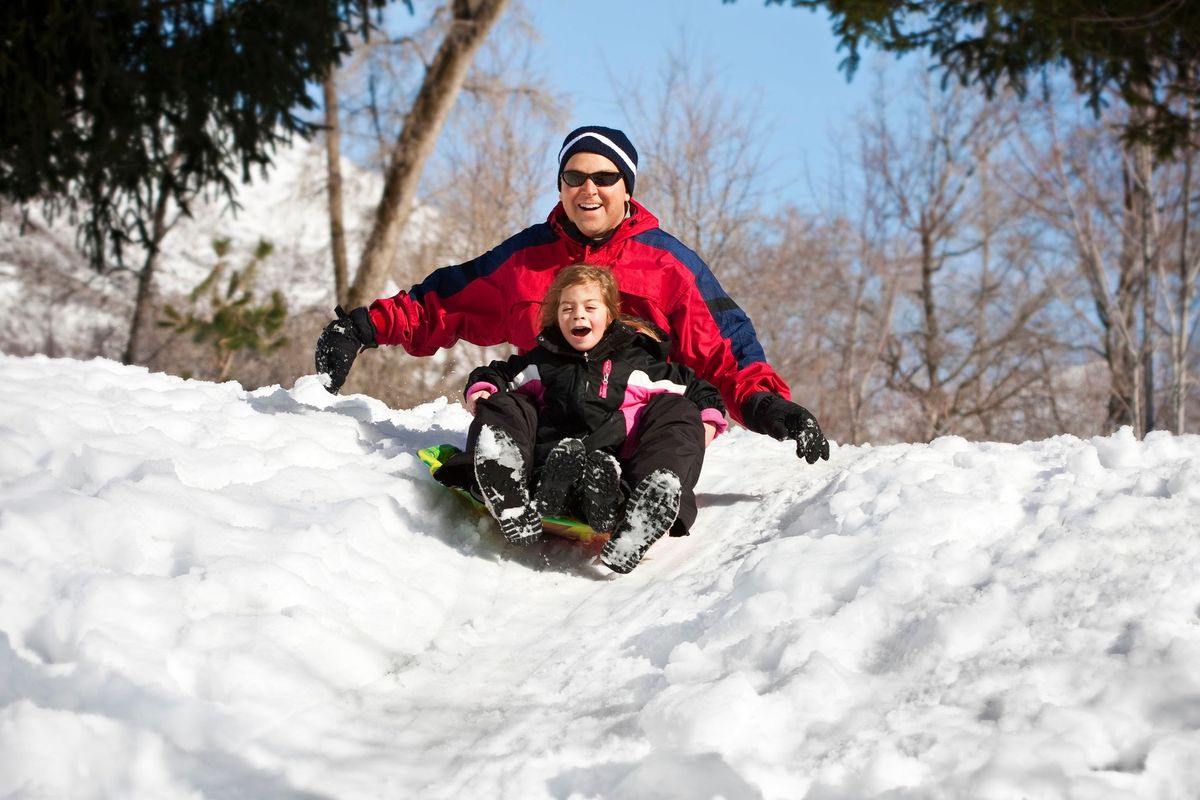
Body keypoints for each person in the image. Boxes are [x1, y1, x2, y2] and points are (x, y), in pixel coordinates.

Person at [314, 123, 829, 467]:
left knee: (678, 418)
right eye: (575, 177)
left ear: (626, 188)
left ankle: (652, 488)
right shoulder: (526, 259)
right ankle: (503, 473)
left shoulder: (667, 264)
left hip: (634, 430)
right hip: (550, 422)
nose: (589, 189)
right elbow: (447, 301)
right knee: (506, 402)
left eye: (605, 177)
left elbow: (723, 347)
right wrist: (361, 327)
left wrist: (769, 409)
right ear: (560, 186)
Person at [447, 264, 727, 573]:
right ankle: (505, 484)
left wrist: (708, 420)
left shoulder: (638, 365)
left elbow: (697, 388)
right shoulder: (542, 361)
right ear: (557, 318)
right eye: (567, 308)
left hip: (615, 480)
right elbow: (497, 373)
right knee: (508, 402)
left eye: (590, 307)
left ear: (609, 315)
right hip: (542, 469)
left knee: (678, 410)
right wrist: (484, 389)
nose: (578, 315)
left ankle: (644, 510)